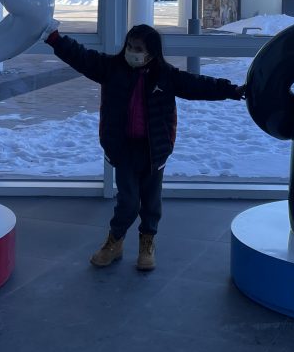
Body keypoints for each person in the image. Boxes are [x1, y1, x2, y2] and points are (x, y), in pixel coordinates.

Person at [43, 21, 245, 271]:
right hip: (123, 150)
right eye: (129, 46)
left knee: (151, 203)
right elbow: (81, 56)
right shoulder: (110, 69)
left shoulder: (166, 76)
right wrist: (55, 39)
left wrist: (231, 90)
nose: (132, 52)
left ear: (151, 52)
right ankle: (114, 242)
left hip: (154, 149)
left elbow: (198, 84)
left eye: (138, 48)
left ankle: (147, 243)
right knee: (128, 203)